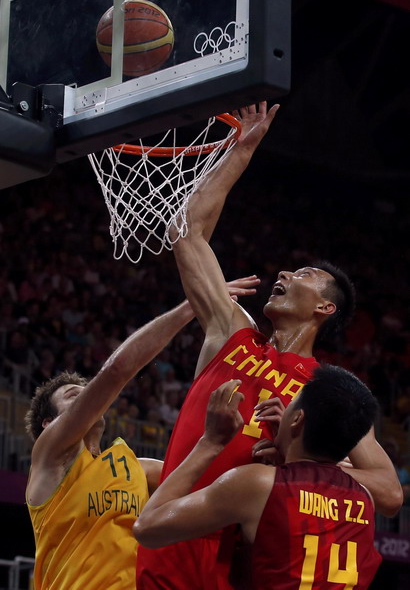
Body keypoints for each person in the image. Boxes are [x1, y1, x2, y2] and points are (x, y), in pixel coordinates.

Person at [136, 102, 402, 589]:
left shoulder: (323, 393)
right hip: (174, 533)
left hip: (241, 552)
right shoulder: (230, 331)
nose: (282, 273)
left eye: (302, 275)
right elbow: (186, 232)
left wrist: (298, 464)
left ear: (326, 309)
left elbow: (388, 491)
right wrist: (243, 149)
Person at [24, 279, 257, 590]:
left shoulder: (135, 467)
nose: (84, 397)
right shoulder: (49, 459)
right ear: (48, 424)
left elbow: (213, 488)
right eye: (72, 396)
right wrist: (192, 305)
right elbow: (117, 370)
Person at [134, 365, 383, 590]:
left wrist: (210, 442)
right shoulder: (365, 499)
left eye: (291, 406)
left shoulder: (259, 484)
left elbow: (147, 528)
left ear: (297, 419)